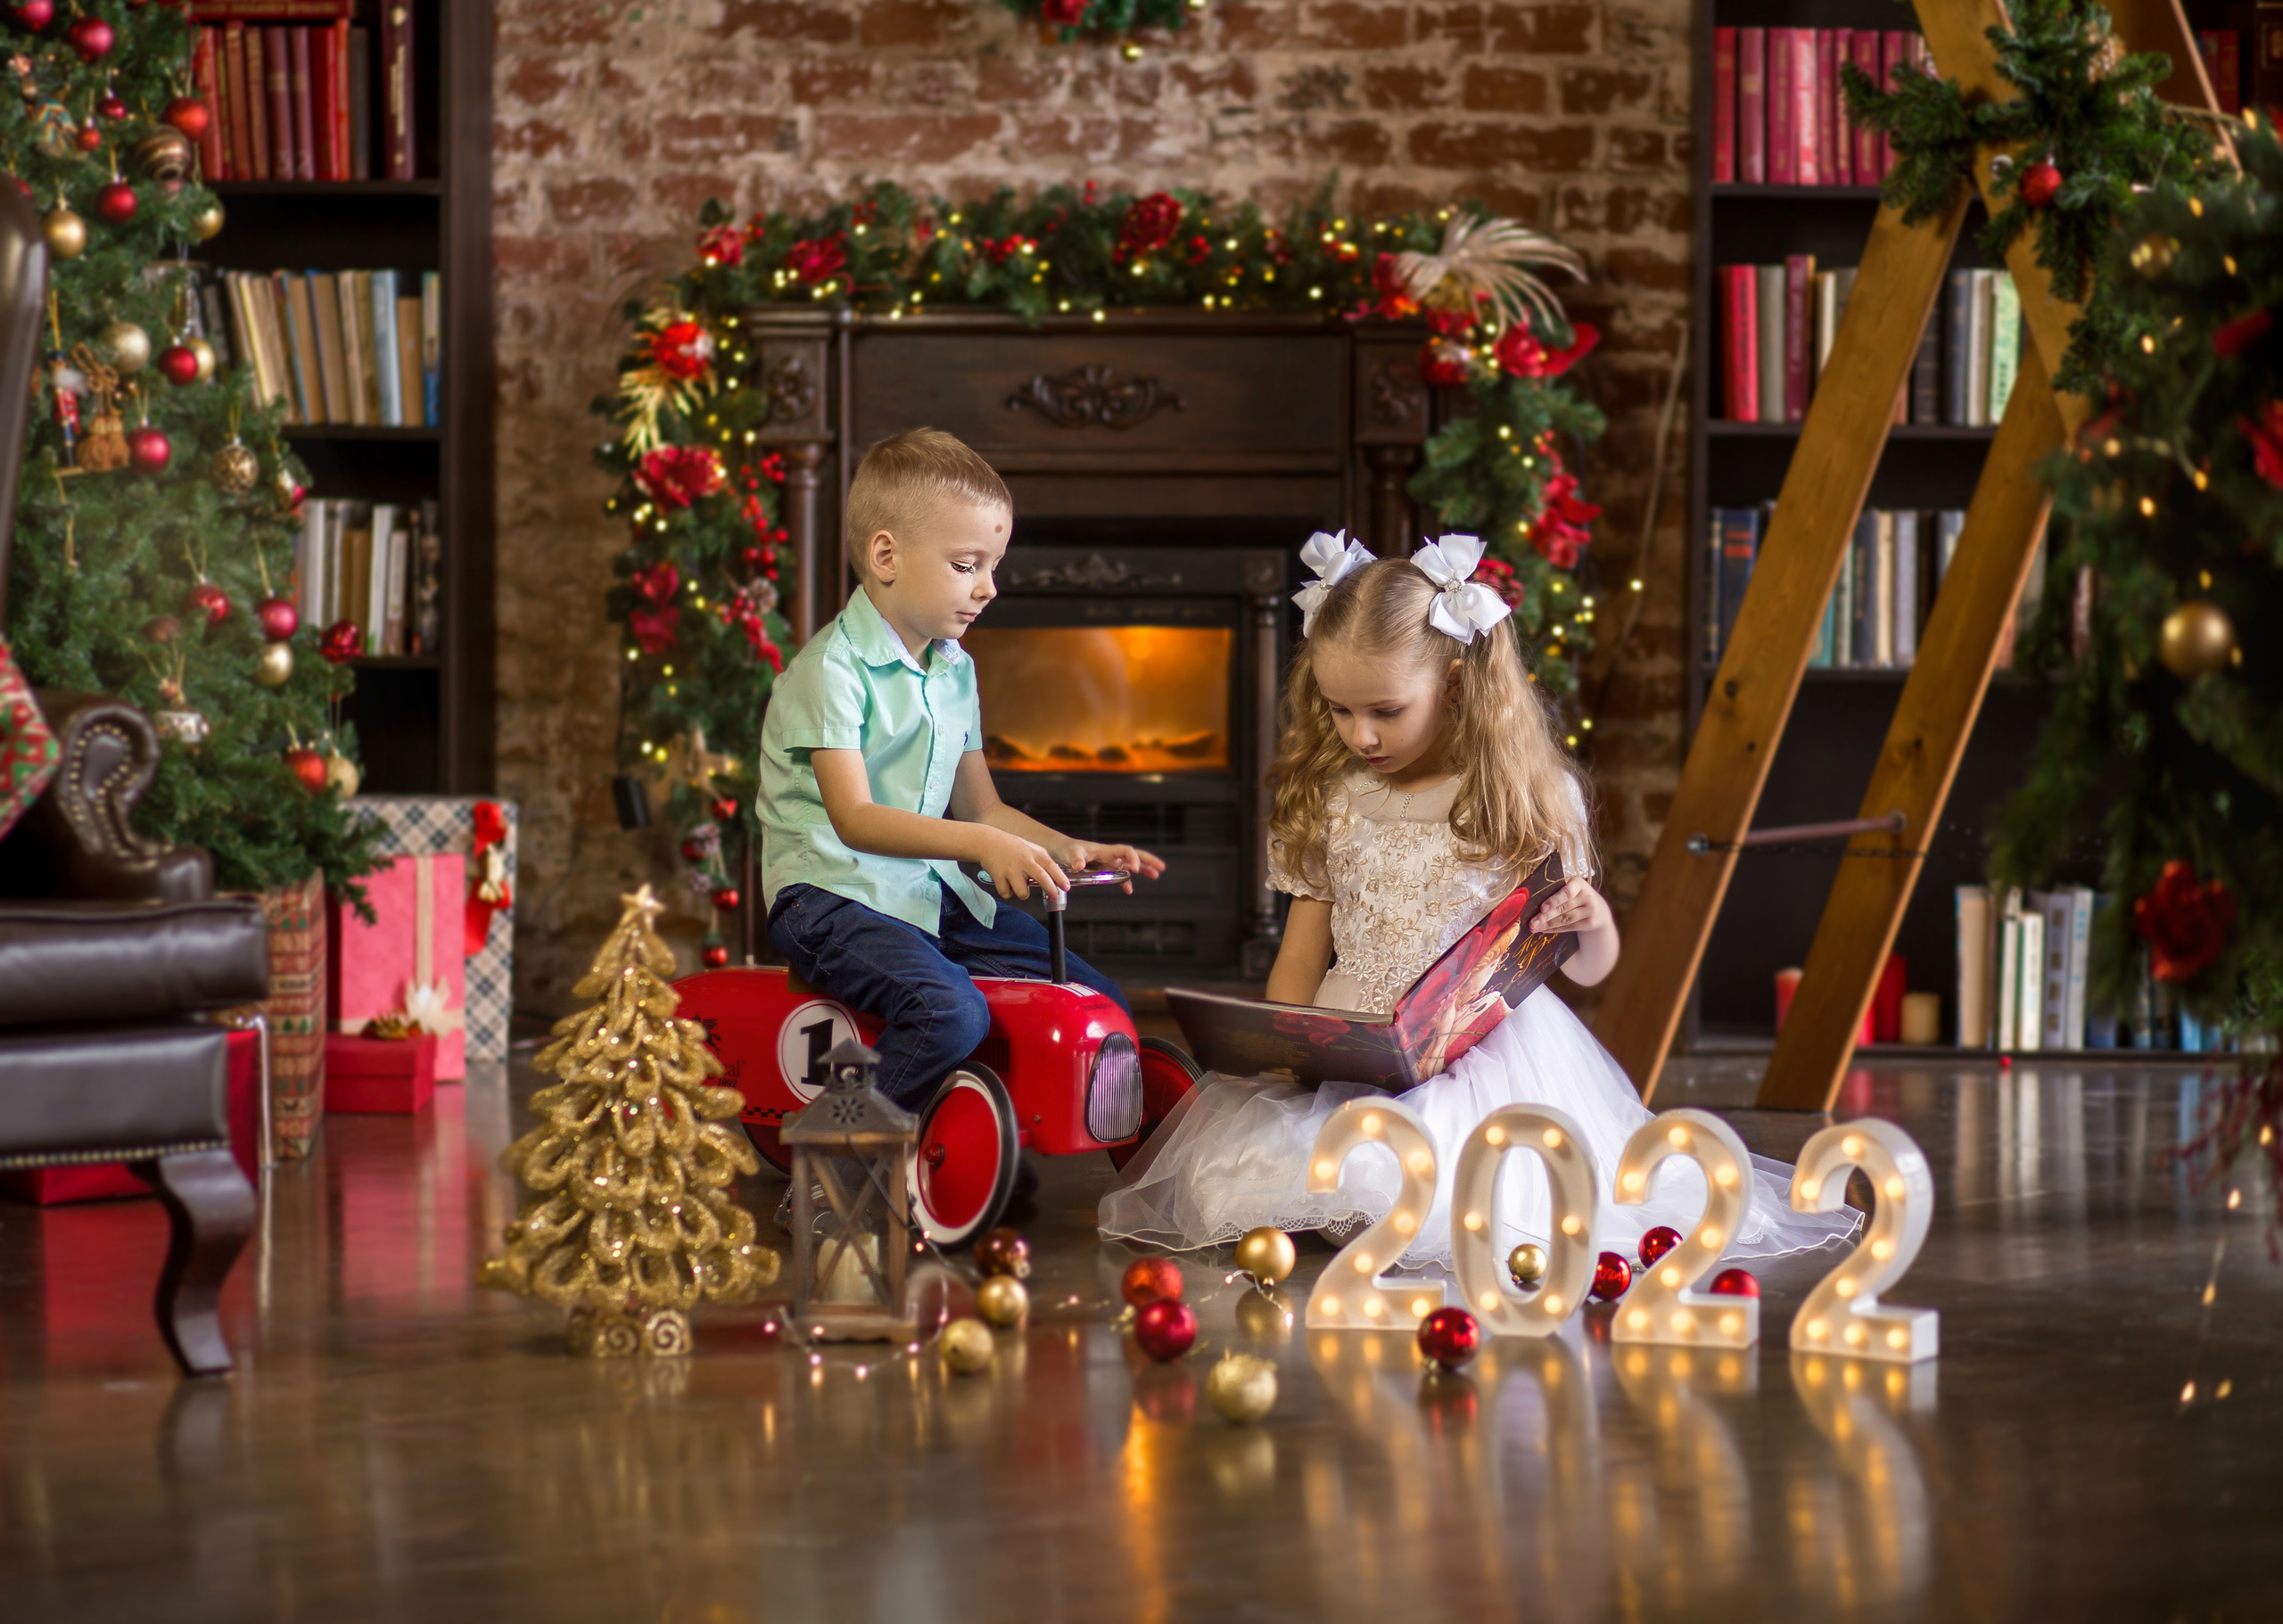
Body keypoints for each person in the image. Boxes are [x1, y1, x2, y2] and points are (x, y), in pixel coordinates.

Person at [1100, 532, 1855, 1269]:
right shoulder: (1335, 796)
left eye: (1386, 711)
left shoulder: (1518, 794)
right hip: (1353, 1048)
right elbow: (1301, 951)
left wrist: (1592, 920)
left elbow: (1589, 972)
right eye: (1338, 710)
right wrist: (1281, 1057)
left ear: (1455, 684)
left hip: (1481, 1055)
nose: (1360, 735)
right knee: (1289, 1178)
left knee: (1442, 1192)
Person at [757, 428, 1164, 1117]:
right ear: (886, 555)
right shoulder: (829, 671)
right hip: (829, 898)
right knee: (950, 1013)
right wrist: (980, 847)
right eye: (967, 564)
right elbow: (855, 819)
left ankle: (1002, 1124)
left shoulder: (954, 669)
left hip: (924, 894)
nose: (990, 587)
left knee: (1097, 1000)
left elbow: (982, 810)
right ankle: (838, 1160)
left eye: (993, 565)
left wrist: (1066, 849)